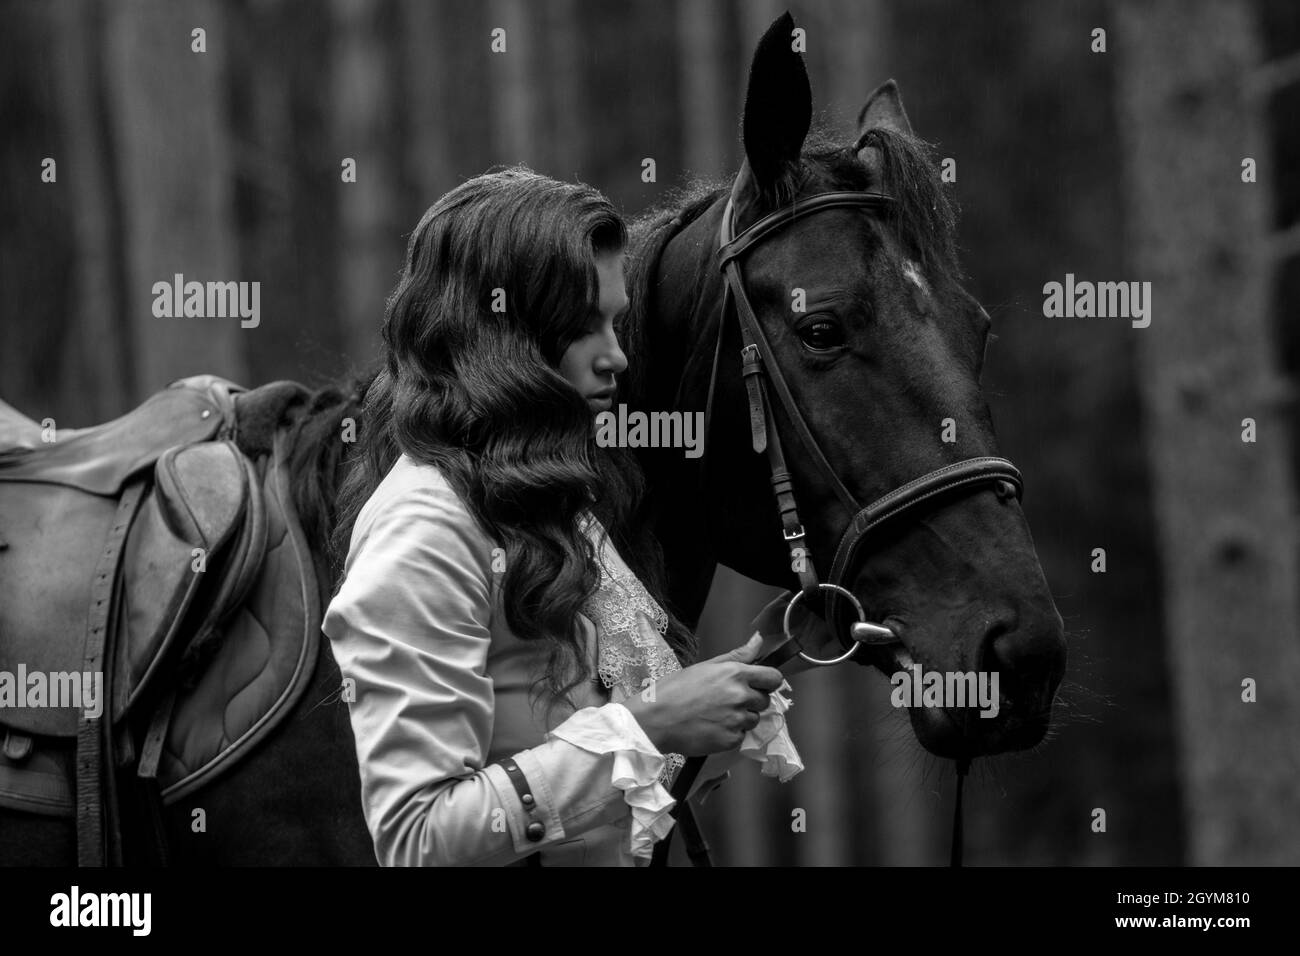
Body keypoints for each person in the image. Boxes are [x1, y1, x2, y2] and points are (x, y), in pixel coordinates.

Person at [324, 167, 816, 867]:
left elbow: (601, 756)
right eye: (585, 324)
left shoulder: (547, 498)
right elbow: (418, 840)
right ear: (504, 333)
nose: (617, 354)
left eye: (615, 320)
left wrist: (752, 663)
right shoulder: (423, 532)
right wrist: (649, 727)